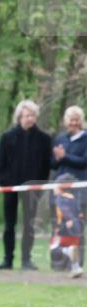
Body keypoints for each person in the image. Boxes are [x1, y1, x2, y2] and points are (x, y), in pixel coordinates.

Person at [0, 100, 53, 270]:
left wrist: (39, 185)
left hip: (32, 189)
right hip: (10, 187)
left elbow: (46, 165)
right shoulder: (7, 137)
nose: (30, 119)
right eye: (27, 115)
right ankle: (8, 259)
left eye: (33, 115)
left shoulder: (44, 139)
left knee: (29, 224)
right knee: (9, 224)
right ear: (20, 116)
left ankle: (26, 259)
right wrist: (6, 183)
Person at [52, 105, 87, 268]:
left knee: (77, 226)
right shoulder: (60, 139)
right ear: (66, 121)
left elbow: (84, 162)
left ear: (81, 121)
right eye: (70, 120)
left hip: (79, 190)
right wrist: (57, 158)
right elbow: (53, 164)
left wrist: (65, 156)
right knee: (59, 225)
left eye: (76, 120)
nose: (73, 123)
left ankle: (77, 263)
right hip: (60, 190)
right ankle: (59, 263)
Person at [51, 173, 83, 279]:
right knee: (73, 248)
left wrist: (68, 220)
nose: (53, 188)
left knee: (54, 247)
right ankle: (76, 268)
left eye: (55, 185)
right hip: (77, 227)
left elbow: (64, 210)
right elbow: (80, 214)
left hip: (66, 227)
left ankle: (68, 251)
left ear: (61, 186)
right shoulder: (73, 197)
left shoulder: (60, 198)